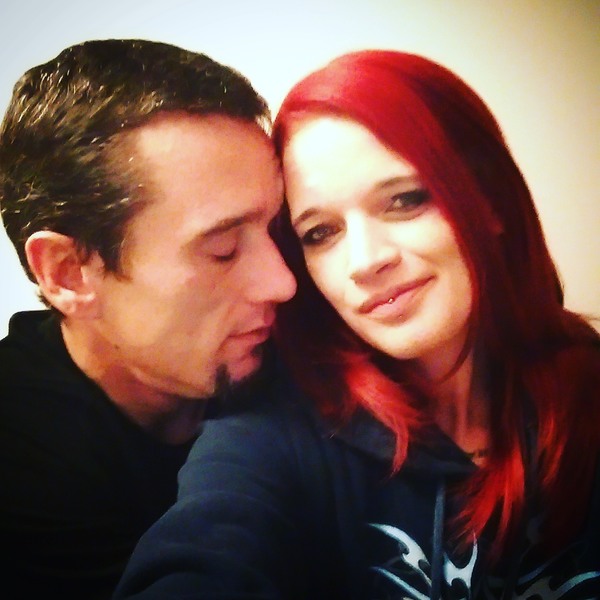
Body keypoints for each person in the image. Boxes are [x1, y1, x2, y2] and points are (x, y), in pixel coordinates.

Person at [114, 51, 600, 599]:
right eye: (321, 232)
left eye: (405, 201)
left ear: (489, 201)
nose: (366, 261)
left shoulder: (585, 388)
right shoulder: (276, 432)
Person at [0, 39, 296, 598]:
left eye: (277, 230)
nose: (283, 283)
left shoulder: (296, 357)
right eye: (224, 250)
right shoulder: (19, 461)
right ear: (68, 273)